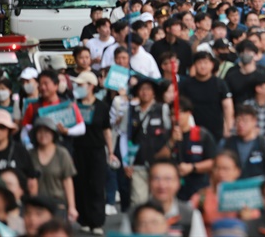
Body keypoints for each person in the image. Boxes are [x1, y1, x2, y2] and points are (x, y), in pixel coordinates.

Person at [70, 71, 115, 235]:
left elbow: (106, 130)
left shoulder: (102, 106)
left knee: (96, 185)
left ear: (91, 86)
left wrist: (110, 151)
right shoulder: (74, 104)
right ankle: (84, 219)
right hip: (78, 149)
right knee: (80, 184)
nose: (78, 87)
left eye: (81, 85)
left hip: (96, 151)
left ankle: (97, 221)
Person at [124, 77, 171, 206]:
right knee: (138, 202)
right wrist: (125, 162)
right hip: (137, 163)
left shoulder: (163, 109)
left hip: (158, 163)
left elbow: (170, 133)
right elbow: (124, 136)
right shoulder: (131, 111)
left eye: (148, 89)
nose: (145, 92)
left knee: (159, 201)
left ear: (154, 92)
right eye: (141, 89)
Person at [164, 97, 216, 201]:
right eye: (172, 114)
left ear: (189, 113)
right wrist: (171, 141)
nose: (176, 118)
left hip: (198, 188)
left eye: (179, 113)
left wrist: (192, 167)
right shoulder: (165, 135)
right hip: (172, 188)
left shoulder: (202, 135)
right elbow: (159, 158)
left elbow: (213, 162)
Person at [28, 117, 78, 222]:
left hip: (58, 204)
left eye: (46, 131)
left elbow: (68, 181)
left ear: (53, 134)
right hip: (38, 203)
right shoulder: (30, 154)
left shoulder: (62, 154)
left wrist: (72, 207)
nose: (43, 135)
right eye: (39, 131)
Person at [180, 51, 234, 143]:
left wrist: (228, 128)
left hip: (216, 130)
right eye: (199, 62)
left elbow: (228, 107)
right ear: (194, 65)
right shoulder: (186, 84)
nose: (203, 66)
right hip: (192, 130)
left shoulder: (220, 84)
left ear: (212, 65)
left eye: (206, 63)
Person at [148, 159, 207, 237]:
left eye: (168, 179)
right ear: (149, 182)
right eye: (156, 178)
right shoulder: (133, 215)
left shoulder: (191, 215)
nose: (162, 185)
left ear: (178, 183)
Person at [220, 105, 265, 179]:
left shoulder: (263, 144)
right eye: (238, 120)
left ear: (254, 121)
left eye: (245, 120)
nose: (241, 124)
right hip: (233, 188)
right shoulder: (226, 143)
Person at [224, 40, 265, 106]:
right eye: (242, 52)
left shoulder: (263, 72)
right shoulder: (231, 72)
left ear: (256, 55)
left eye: (248, 51)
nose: (245, 54)